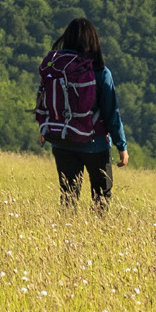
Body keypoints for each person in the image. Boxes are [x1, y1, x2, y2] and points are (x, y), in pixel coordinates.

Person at [38, 17, 129, 210]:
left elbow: (46, 99)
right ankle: (99, 235)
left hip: (61, 139)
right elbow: (112, 113)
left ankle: (64, 235)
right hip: (94, 145)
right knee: (101, 199)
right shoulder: (101, 72)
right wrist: (122, 146)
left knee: (68, 197)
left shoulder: (55, 67)